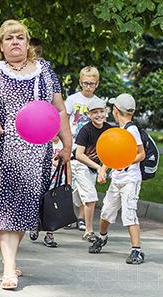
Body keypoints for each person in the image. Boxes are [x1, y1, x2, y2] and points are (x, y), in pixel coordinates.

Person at [0, 19, 71, 290]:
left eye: (20, 37)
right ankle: (9, 267)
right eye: (9, 38)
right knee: (6, 211)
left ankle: (9, 259)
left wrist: (67, 144)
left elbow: (58, 109)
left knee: (24, 211)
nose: (15, 42)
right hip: (2, 150)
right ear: (0, 45)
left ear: (27, 42)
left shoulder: (45, 71)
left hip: (37, 154)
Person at [89, 93, 146, 264]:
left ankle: (137, 251)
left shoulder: (131, 130)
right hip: (117, 179)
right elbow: (111, 154)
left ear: (115, 110)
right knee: (107, 211)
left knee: (129, 213)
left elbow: (141, 154)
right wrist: (103, 170)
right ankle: (102, 237)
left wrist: (126, 161)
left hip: (130, 179)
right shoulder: (119, 131)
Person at [65, 66, 103, 231]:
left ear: (97, 84)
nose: (89, 87)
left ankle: (80, 217)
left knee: (88, 183)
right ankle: (68, 215)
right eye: (86, 83)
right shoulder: (73, 100)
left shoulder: (98, 102)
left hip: (90, 150)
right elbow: (64, 119)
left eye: (92, 84)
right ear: (80, 82)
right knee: (70, 183)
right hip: (73, 145)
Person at [72, 98, 113, 242]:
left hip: (95, 167)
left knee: (78, 195)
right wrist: (99, 168)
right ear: (89, 114)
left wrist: (103, 169)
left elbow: (111, 152)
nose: (99, 115)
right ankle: (88, 231)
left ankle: (73, 197)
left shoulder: (109, 129)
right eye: (95, 112)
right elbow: (79, 155)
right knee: (90, 197)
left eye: (101, 111)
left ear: (106, 112)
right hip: (81, 165)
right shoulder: (86, 130)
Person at [28, 134, 72, 247]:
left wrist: (69, 185)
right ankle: (35, 224)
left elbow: (68, 166)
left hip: (57, 181)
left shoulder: (63, 145)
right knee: (39, 204)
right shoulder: (41, 142)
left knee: (53, 209)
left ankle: (49, 234)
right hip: (42, 180)